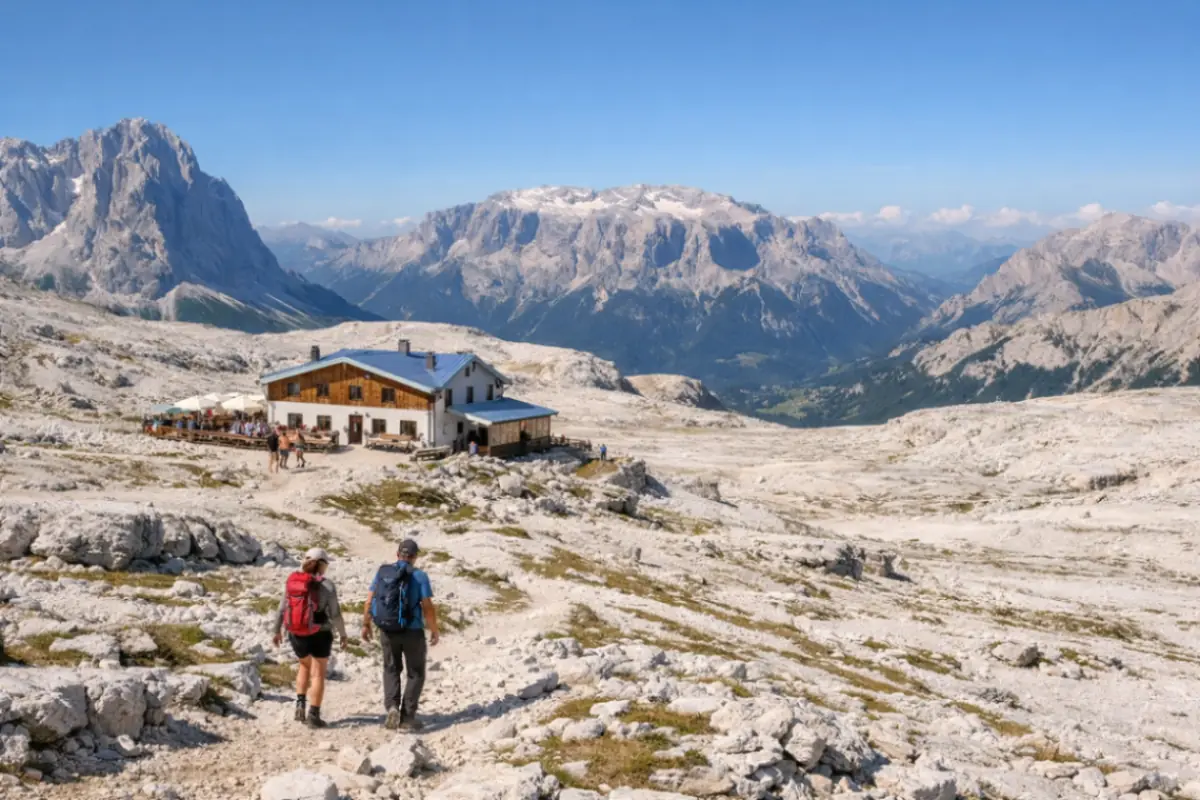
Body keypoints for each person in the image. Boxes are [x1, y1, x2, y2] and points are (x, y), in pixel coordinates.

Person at [361, 539, 439, 731]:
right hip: (412, 631)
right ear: (414, 557)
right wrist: (434, 629)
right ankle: (407, 717)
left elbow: (369, 600)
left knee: (391, 669)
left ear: (397, 554)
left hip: (387, 629)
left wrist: (366, 624)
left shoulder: (383, 572)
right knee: (416, 673)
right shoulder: (420, 576)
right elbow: (427, 607)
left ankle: (392, 707)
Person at [272, 548, 348, 728]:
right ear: (322, 565)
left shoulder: (293, 581)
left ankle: (299, 706)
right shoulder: (327, 585)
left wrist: (277, 630)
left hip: (296, 632)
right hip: (321, 633)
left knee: (304, 665)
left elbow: (282, 609)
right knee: (318, 673)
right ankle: (314, 715)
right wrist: (343, 634)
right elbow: (335, 613)